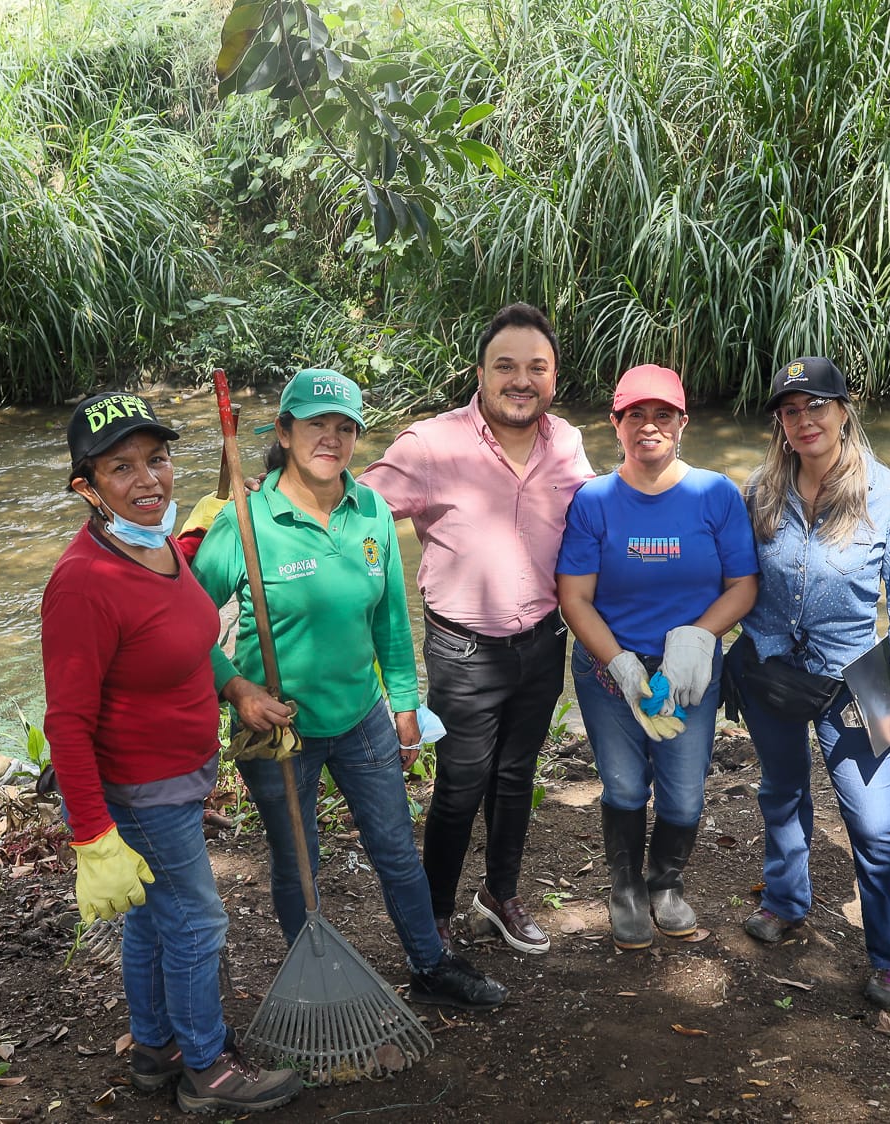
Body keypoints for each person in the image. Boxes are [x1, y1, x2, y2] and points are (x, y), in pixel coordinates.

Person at [191, 368, 508, 1010]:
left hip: (362, 717)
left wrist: (405, 706)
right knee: (297, 861)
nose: (330, 439)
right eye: (315, 425)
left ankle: (429, 962)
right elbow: (185, 629)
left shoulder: (370, 512)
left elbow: (391, 620)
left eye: (344, 428)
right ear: (284, 432)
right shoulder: (247, 522)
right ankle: (316, 978)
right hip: (279, 728)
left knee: (395, 845)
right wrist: (237, 688)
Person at [39, 391, 302, 1113]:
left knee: (156, 920)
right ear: (86, 487)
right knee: (197, 921)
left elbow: (181, 640)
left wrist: (237, 686)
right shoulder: (83, 583)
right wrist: (92, 836)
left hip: (181, 774)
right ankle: (208, 1068)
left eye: (156, 459)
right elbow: (66, 723)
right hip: (141, 785)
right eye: (122, 467)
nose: (148, 479)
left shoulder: (155, 543)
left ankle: (155, 1050)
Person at [359, 303, 593, 955]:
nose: (522, 380)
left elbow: (603, 520)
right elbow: (357, 510)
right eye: (506, 366)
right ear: (481, 373)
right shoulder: (431, 445)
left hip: (544, 643)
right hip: (463, 652)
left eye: (536, 368)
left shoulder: (567, 443)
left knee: (517, 777)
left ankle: (499, 894)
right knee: (460, 787)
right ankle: (436, 912)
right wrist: (273, 505)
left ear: (553, 377)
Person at [733, 356, 890, 1012]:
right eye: (790, 410)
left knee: (875, 825)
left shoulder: (889, 494)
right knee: (781, 792)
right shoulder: (758, 491)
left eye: (816, 405)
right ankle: (787, 901)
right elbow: (734, 583)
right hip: (769, 666)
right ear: (780, 423)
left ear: (845, 409)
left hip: (856, 680)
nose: (804, 419)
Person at [555, 365, 759, 950]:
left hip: (690, 674)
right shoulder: (594, 501)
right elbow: (574, 596)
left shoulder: (715, 493)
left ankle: (664, 883)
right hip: (608, 670)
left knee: (684, 789)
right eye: (635, 415)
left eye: (662, 414)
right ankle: (624, 889)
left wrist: (697, 641)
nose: (650, 426)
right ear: (615, 424)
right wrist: (621, 664)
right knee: (622, 787)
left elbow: (742, 585)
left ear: (682, 424)